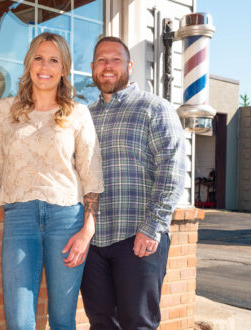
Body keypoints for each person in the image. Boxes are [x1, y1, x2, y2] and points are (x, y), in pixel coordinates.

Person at [0, 32, 104, 329]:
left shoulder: (78, 114)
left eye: (53, 60)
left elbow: (91, 177)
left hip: (66, 220)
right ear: (28, 64)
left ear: (63, 68)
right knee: (18, 320)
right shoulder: (6, 110)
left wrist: (87, 230)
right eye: (39, 58)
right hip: (20, 219)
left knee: (63, 319)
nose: (45, 66)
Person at [80, 36, 186, 330]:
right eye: (101, 60)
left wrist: (152, 228)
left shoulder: (154, 108)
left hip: (138, 238)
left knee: (138, 323)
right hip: (94, 242)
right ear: (92, 68)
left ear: (129, 65)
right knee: (100, 323)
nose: (108, 66)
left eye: (115, 59)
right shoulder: (84, 117)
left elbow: (172, 171)